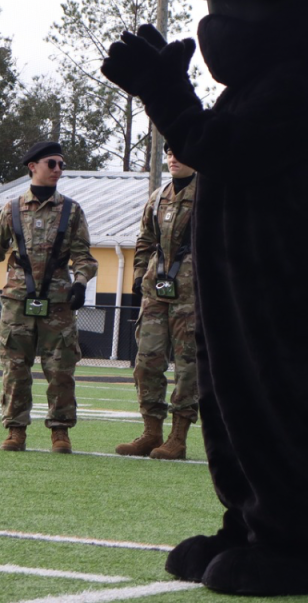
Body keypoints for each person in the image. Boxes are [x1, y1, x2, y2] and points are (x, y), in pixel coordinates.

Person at [0, 142, 98, 453]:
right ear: (33, 166)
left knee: (60, 370)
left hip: (58, 303)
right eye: (51, 163)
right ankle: (16, 430)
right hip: (17, 302)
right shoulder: (12, 209)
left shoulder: (71, 210)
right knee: (15, 369)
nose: (58, 169)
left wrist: (81, 282)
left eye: (61, 165)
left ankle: (60, 431)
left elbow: (84, 256)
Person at [116, 145, 199, 459]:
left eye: (180, 150)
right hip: (155, 293)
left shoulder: (213, 195)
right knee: (147, 362)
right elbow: (145, 240)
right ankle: (152, 432)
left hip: (192, 295)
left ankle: (178, 438)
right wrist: (139, 273)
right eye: (168, 151)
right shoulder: (157, 198)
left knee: (188, 368)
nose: (173, 157)